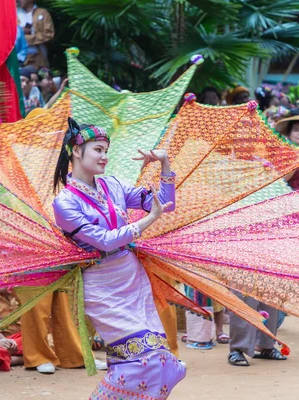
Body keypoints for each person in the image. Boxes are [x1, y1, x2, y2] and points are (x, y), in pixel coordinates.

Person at [52, 118, 185, 398]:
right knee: (141, 361)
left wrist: (165, 165)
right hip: (101, 284)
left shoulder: (112, 185)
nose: (104, 156)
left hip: (131, 276)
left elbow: (165, 204)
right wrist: (147, 221)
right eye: (98, 150)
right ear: (76, 151)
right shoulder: (65, 202)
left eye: (106, 150)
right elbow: (103, 241)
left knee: (160, 359)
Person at [17, 0, 55, 68]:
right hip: (19, 58)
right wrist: (20, 32)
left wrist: (25, 38)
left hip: (39, 57)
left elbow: (49, 34)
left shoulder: (43, 13)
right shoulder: (15, 15)